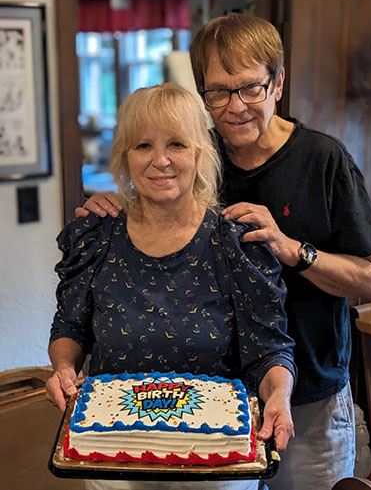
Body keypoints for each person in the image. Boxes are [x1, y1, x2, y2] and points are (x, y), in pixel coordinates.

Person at [77, 13, 371, 490]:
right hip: (217, 398)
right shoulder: (197, 156)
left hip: (307, 392)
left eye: (250, 88)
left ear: (278, 82)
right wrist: (123, 205)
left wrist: (291, 250)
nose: (235, 106)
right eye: (218, 92)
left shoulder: (323, 160)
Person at [47, 83, 297, 490]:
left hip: (215, 470)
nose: (160, 160)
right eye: (143, 146)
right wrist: (63, 367)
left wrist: (280, 396)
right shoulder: (97, 238)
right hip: (111, 464)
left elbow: (269, 349)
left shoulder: (235, 242)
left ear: (199, 153)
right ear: (125, 158)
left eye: (177, 144)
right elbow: (69, 327)